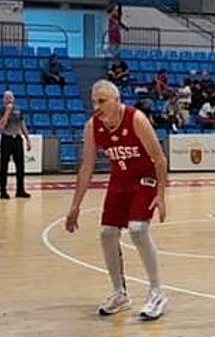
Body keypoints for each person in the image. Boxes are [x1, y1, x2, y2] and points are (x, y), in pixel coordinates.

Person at [65, 80, 169, 320]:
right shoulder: (92, 126)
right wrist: (75, 206)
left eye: (101, 101)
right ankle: (119, 293)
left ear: (117, 100)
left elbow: (159, 159)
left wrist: (161, 195)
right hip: (119, 181)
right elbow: (86, 167)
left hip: (144, 178)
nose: (96, 106)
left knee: (138, 229)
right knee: (107, 233)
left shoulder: (137, 120)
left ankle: (156, 292)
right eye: (94, 101)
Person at [0, 89, 32, 199]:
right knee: (4, 166)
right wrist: (7, 112)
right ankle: (3, 191)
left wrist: (27, 139)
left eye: (10, 97)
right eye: (6, 98)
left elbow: (22, 124)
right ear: (3, 100)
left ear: (13, 99)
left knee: (20, 166)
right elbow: (1, 126)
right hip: (6, 139)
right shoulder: (0, 110)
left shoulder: (18, 110)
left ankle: (20, 190)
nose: (8, 100)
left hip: (17, 139)